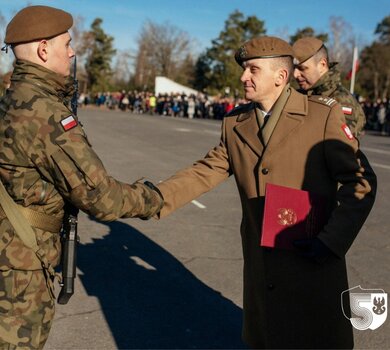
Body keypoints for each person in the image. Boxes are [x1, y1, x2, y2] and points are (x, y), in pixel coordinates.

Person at [155, 36, 376, 348]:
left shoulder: (322, 116)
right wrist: (153, 198)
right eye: (245, 69)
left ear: (280, 76)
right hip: (263, 269)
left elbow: (361, 181)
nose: (244, 77)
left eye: (252, 70)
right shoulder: (235, 122)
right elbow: (205, 170)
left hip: (313, 262)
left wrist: (331, 241)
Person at [0, 5, 163, 349]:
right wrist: (152, 198)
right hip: (22, 268)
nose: (72, 52)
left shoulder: (11, 96)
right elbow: (100, 198)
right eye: (67, 44)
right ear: (44, 49)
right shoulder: (45, 114)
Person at [292, 37, 366, 137]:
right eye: (294, 68)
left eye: (302, 68)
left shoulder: (341, 101)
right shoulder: (298, 95)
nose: (295, 74)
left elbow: (339, 147)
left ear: (322, 65)